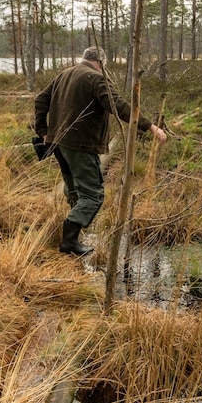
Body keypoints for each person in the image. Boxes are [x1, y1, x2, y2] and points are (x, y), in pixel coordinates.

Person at [34, 47, 167, 256]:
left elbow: (40, 100)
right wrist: (150, 126)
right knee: (93, 195)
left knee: (74, 190)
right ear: (101, 62)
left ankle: (72, 238)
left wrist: (43, 131)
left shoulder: (65, 74)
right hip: (81, 146)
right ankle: (69, 240)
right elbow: (119, 106)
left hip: (58, 144)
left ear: (85, 58)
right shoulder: (96, 78)